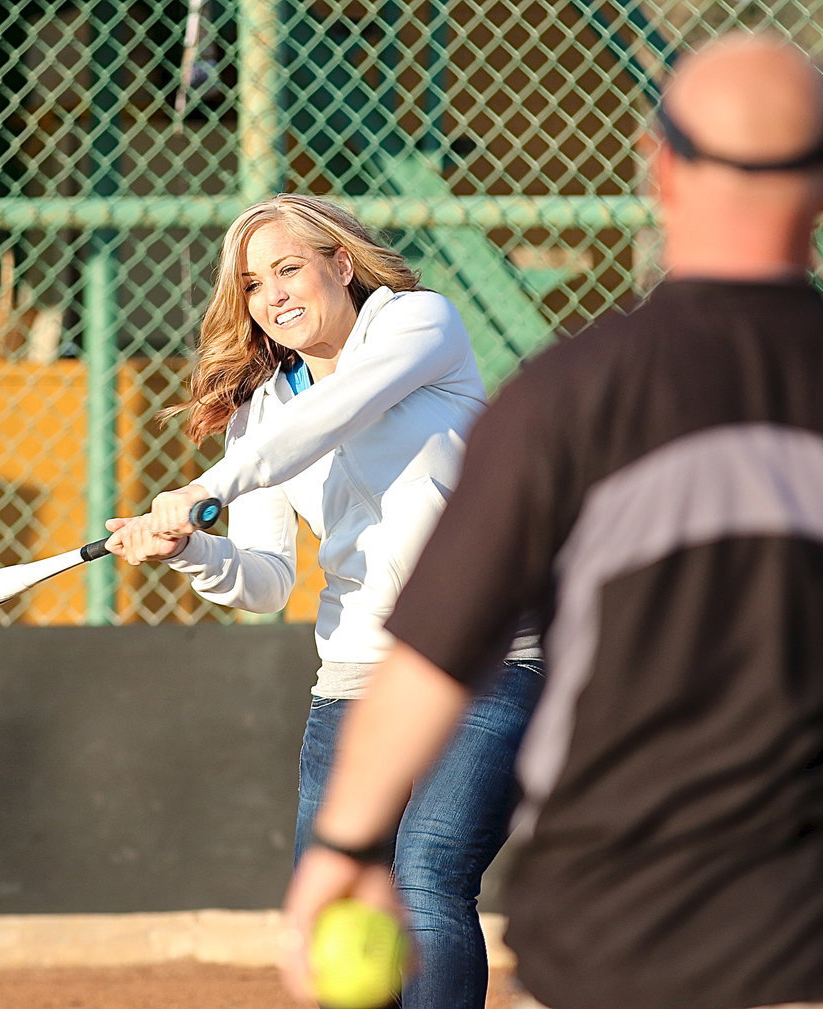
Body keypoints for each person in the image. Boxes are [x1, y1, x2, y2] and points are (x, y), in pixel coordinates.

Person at [281, 33, 823, 1009]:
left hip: (615, 941)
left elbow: (434, 655)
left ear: (661, 170)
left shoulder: (568, 396)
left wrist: (345, 847)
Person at [105, 193, 543, 1009]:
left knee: (426, 871)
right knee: (337, 906)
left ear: (341, 264)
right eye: (252, 284)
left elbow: (340, 412)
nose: (272, 295)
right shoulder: (261, 412)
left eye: (287, 268)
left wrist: (206, 486)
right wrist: (192, 547)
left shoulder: (418, 325)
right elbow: (267, 580)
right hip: (357, 670)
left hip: (489, 656)